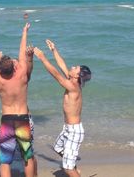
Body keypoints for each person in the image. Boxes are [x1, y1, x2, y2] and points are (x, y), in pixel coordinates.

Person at [0, 23, 35, 177]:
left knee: (5, 161)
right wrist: (24, 31)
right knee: (27, 157)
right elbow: (22, 53)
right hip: (23, 119)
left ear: (0, 70)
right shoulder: (22, 75)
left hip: (7, 120)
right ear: (14, 67)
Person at [34, 39, 91, 177]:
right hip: (67, 129)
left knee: (67, 169)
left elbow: (56, 74)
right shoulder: (72, 81)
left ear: (77, 75)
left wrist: (42, 58)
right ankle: (73, 165)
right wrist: (54, 50)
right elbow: (61, 65)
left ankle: (73, 169)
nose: (72, 67)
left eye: (75, 68)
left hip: (74, 132)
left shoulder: (73, 86)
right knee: (58, 147)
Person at [0, 48, 38, 176]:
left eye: (16, 62)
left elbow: (29, 69)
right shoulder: (5, 79)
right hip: (10, 120)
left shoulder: (23, 77)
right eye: (14, 62)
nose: (15, 62)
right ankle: (8, 163)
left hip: (24, 118)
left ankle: (33, 173)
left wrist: (30, 59)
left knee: (28, 154)